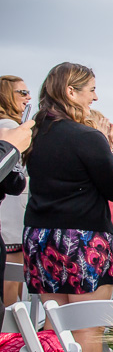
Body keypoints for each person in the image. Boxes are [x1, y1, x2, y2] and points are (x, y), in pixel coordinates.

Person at [23, 62, 113, 352]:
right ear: (71, 91)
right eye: (90, 89)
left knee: (54, 328)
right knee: (88, 330)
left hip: (41, 239)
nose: (95, 96)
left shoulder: (34, 134)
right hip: (82, 241)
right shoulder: (87, 137)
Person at [0, 75, 31, 306]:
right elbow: (15, 179)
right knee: (11, 281)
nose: (28, 97)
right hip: (11, 216)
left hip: (7, 214)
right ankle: (8, 336)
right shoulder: (10, 128)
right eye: (22, 92)